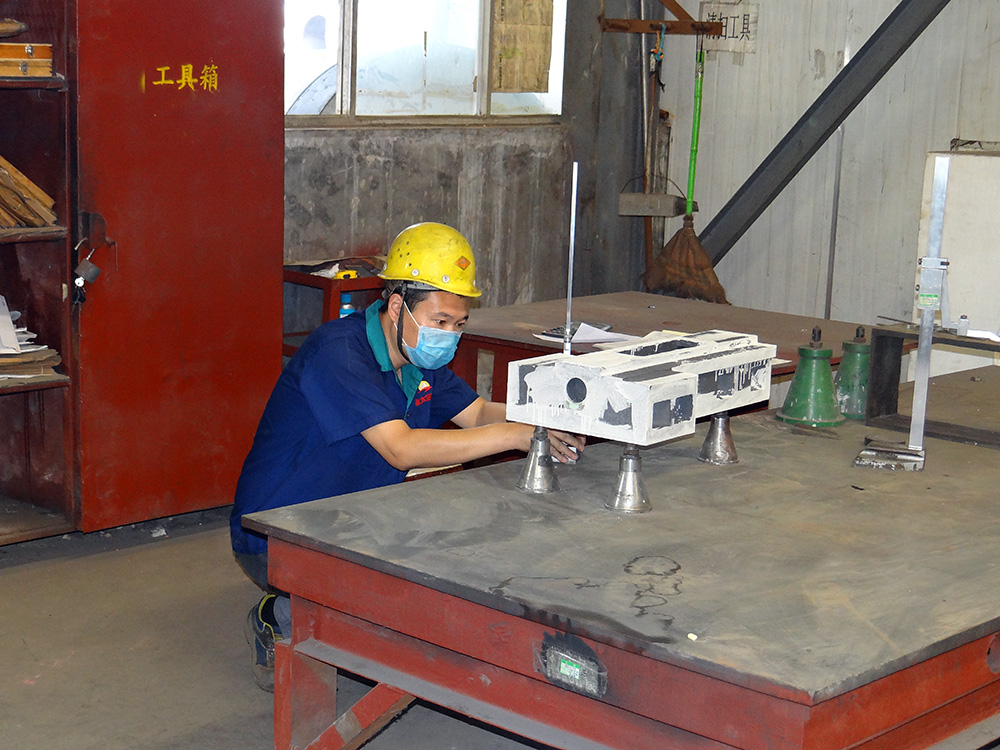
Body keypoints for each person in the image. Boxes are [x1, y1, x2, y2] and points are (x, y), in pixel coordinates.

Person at [230, 222, 585, 690]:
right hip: (278, 534)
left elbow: (478, 413)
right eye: (440, 321)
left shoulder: (418, 359)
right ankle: (276, 612)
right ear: (397, 307)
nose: (449, 336)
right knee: (392, 617)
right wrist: (512, 436)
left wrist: (546, 417)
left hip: (357, 519)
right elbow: (401, 449)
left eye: (459, 325)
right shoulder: (338, 352)